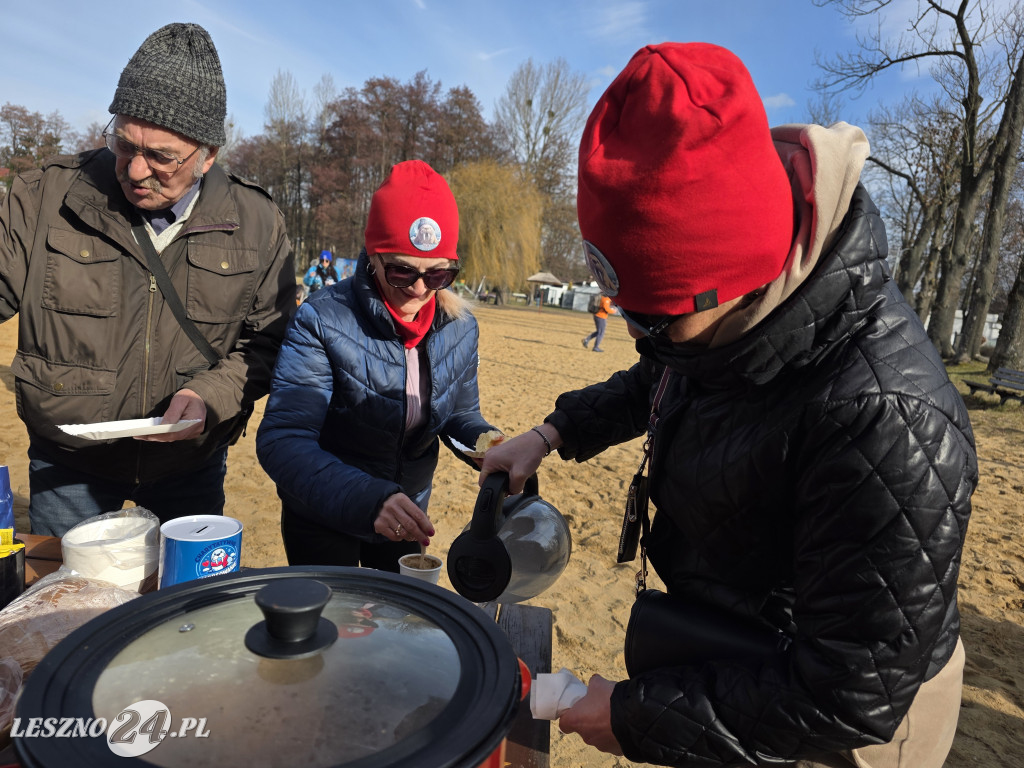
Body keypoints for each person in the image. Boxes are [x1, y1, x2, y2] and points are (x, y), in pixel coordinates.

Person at [480, 43, 977, 767]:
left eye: (655, 321)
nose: (640, 339)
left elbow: (850, 697)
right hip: (737, 656)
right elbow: (667, 374)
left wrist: (635, 717)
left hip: (832, 726)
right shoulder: (728, 331)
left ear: (736, 279)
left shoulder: (886, 418)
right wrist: (553, 431)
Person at [0, 23, 295, 536]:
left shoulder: (259, 221)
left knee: (187, 609)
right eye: (122, 143)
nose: (134, 170)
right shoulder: (43, 197)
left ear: (208, 156)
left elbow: (268, 342)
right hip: (68, 462)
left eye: (161, 156)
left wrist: (212, 395)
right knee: (68, 609)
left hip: (190, 466)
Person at [256, 160, 500, 571]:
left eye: (439, 275)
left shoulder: (461, 327)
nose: (421, 289)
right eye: (402, 271)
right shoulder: (321, 318)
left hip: (407, 512)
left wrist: (486, 442)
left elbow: (459, 413)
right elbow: (284, 438)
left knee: (393, 628)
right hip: (323, 509)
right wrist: (370, 498)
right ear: (374, 256)